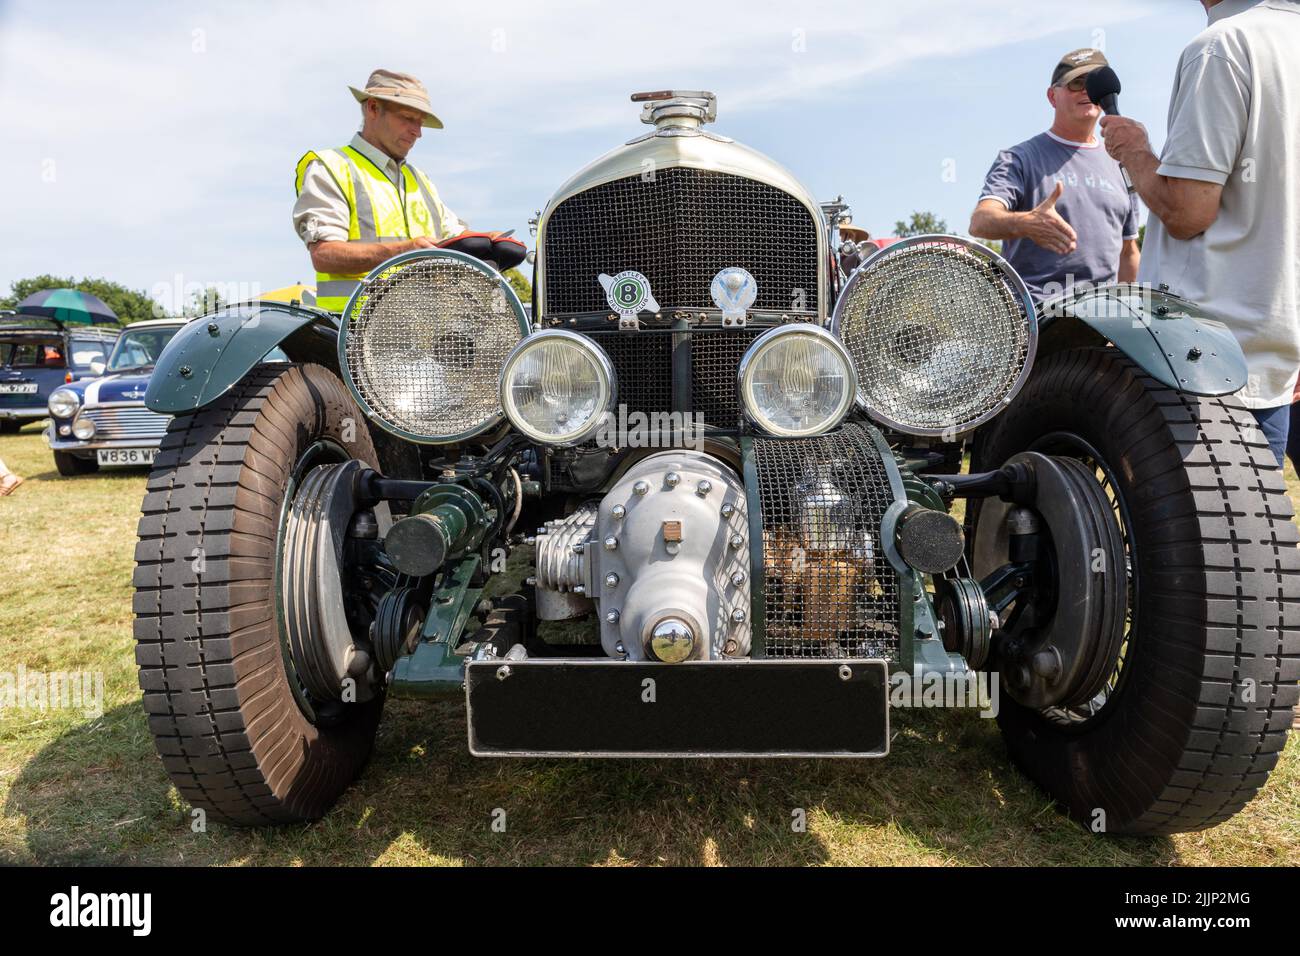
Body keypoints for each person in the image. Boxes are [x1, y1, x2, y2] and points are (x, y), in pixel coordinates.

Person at [1100, 0, 1300, 467]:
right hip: (1273, 354)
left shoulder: (1221, 46)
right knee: (1253, 538)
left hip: (1201, 358)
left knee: (1199, 540)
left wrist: (1135, 151)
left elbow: (1187, 211)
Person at [970, 48, 1141, 302]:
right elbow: (981, 221)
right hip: (1035, 323)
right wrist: (1026, 223)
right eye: (1076, 83)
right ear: (1052, 96)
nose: (1087, 90)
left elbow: (1128, 252)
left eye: (1093, 83)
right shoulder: (1019, 158)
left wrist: (1124, 317)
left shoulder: (1122, 162)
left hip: (1103, 326)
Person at [292, 69, 469, 312]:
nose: (418, 132)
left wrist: (490, 242)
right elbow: (324, 254)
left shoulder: (420, 181)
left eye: (421, 122)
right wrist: (405, 251)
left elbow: (456, 240)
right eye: (408, 118)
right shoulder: (332, 167)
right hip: (353, 335)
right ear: (373, 108)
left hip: (428, 338)